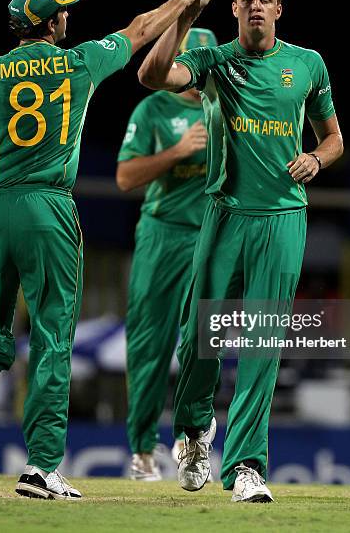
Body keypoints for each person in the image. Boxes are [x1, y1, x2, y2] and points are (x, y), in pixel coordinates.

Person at [0, 0, 215, 499]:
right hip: (48, 208)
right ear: (51, 24)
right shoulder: (78, 63)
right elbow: (140, 30)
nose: (69, 14)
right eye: (63, 9)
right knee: (51, 336)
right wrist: (183, 1)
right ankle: (43, 466)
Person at [138, 0, 343, 502]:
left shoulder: (308, 65)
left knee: (260, 344)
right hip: (223, 216)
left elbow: (334, 139)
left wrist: (317, 161)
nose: (255, 6)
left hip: (283, 220)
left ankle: (247, 467)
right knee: (198, 339)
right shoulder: (214, 60)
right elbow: (152, 75)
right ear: (232, 8)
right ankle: (193, 434)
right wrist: (183, 12)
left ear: (278, 9)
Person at [116, 28, 217, 481]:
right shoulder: (153, 108)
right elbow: (124, 178)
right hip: (162, 235)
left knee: (201, 342)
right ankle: (142, 450)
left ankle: (189, 439)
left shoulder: (228, 110)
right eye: (188, 66)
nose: (196, 77)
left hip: (211, 237)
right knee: (148, 344)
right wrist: (177, 152)